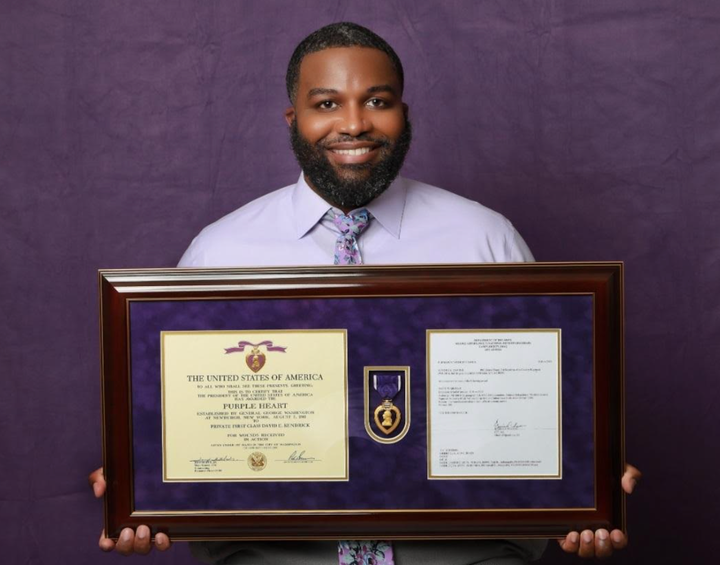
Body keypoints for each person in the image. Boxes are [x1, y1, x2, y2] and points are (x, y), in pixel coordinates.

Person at [89, 22, 641, 563]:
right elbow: (177, 417)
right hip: (272, 553)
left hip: (464, 551)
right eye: (327, 104)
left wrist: (590, 480)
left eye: (377, 101)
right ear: (293, 119)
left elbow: (547, 402)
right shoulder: (220, 251)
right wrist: (139, 483)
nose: (353, 124)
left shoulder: (484, 238)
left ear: (405, 115)